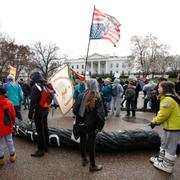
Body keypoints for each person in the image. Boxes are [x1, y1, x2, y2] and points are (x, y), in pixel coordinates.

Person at [73, 78, 105, 172]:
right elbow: (101, 115)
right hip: (91, 125)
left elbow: (75, 110)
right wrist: (100, 127)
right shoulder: (97, 97)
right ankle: (92, 165)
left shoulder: (80, 95)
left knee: (82, 140)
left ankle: (84, 159)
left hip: (81, 123)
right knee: (91, 144)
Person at [149, 81, 180, 173]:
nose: (158, 89)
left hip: (173, 127)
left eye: (159, 87)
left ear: (165, 88)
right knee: (165, 143)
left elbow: (163, 115)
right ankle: (161, 160)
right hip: (171, 125)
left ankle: (167, 166)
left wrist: (154, 122)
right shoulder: (170, 98)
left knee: (170, 146)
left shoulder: (167, 100)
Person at [28, 72, 53, 157]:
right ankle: (46, 146)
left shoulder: (36, 87)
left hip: (39, 111)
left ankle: (40, 150)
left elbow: (33, 103)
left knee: (40, 130)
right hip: (46, 109)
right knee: (45, 127)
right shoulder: (44, 85)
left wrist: (30, 114)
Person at [0, 86, 16, 166]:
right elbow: (13, 115)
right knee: (9, 141)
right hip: (7, 125)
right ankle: (12, 155)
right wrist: (13, 122)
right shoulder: (9, 103)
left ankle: (1, 159)